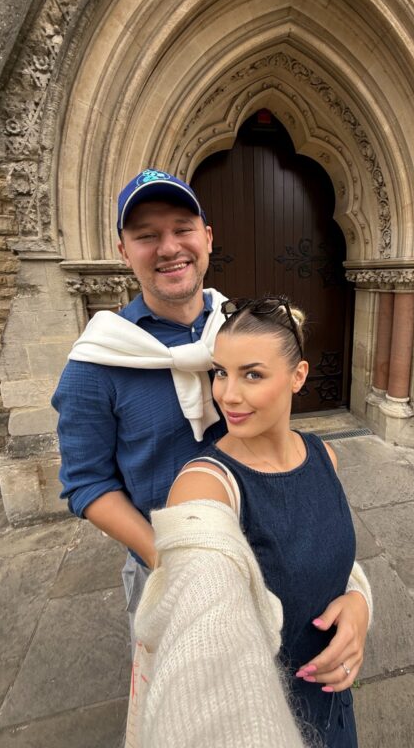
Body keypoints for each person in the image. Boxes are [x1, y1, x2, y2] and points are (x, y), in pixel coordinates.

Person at [131, 297, 372, 748]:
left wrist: (358, 603)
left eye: (252, 374)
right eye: (221, 372)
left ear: (297, 377)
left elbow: (331, 558)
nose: (227, 394)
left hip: (335, 709)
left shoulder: (325, 457)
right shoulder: (204, 487)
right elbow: (200, 637)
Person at [51, 169, 228, 634]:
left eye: (182, 229)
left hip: (260, 544)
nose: (169, 248)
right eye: (147, 235)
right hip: (166, 565)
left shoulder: (241, 331)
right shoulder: (96, 362)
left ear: (207, 238)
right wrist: (164, 560)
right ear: (123, 252)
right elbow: (87, 484)